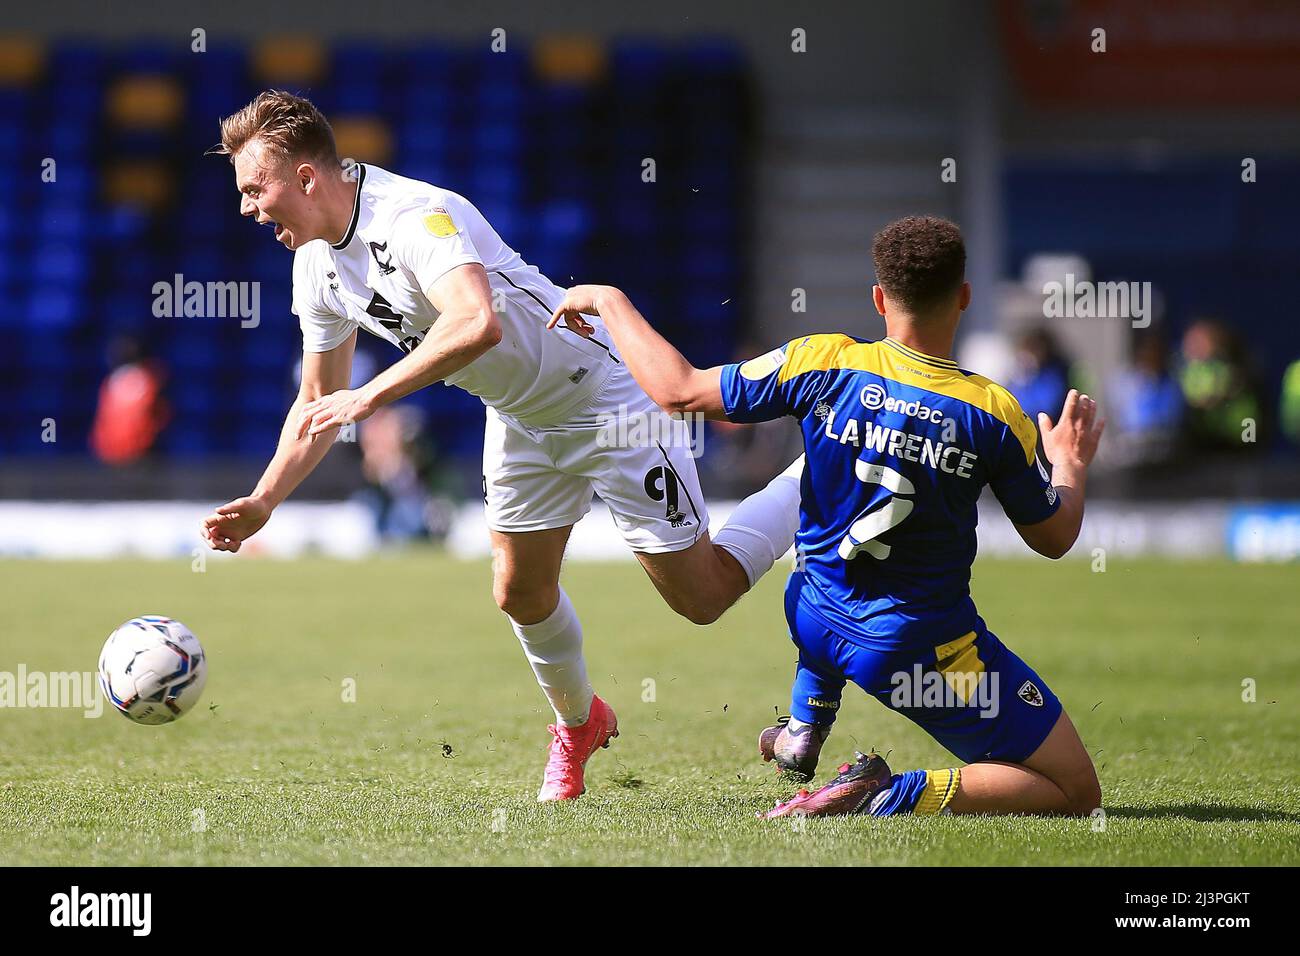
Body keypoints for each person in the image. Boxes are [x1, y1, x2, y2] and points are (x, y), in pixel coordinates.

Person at [198, 91, 802, 801]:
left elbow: (477, 323)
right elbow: (315, 402)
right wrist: (267, 501)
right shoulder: (316, 269)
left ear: (304, 178)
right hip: (518, 415)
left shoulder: (414, 216)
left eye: (253, 188)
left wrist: (370, 396)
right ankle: (578, 726)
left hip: (602, 398)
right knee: (519, 590)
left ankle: (819, 475)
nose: (247, 207)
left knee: (702, 599)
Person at [549, 216, 1105, 818]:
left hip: (811, 613)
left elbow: (679, 391)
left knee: (828, 582)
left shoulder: (823, 360)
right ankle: (884, 793)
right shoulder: (995, 414)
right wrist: (1070, 465)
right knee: (1073, 789)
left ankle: (803, 727)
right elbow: (1054, 538)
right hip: (922, 654)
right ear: (965, 297)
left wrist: (610, 299)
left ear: (878, 297)